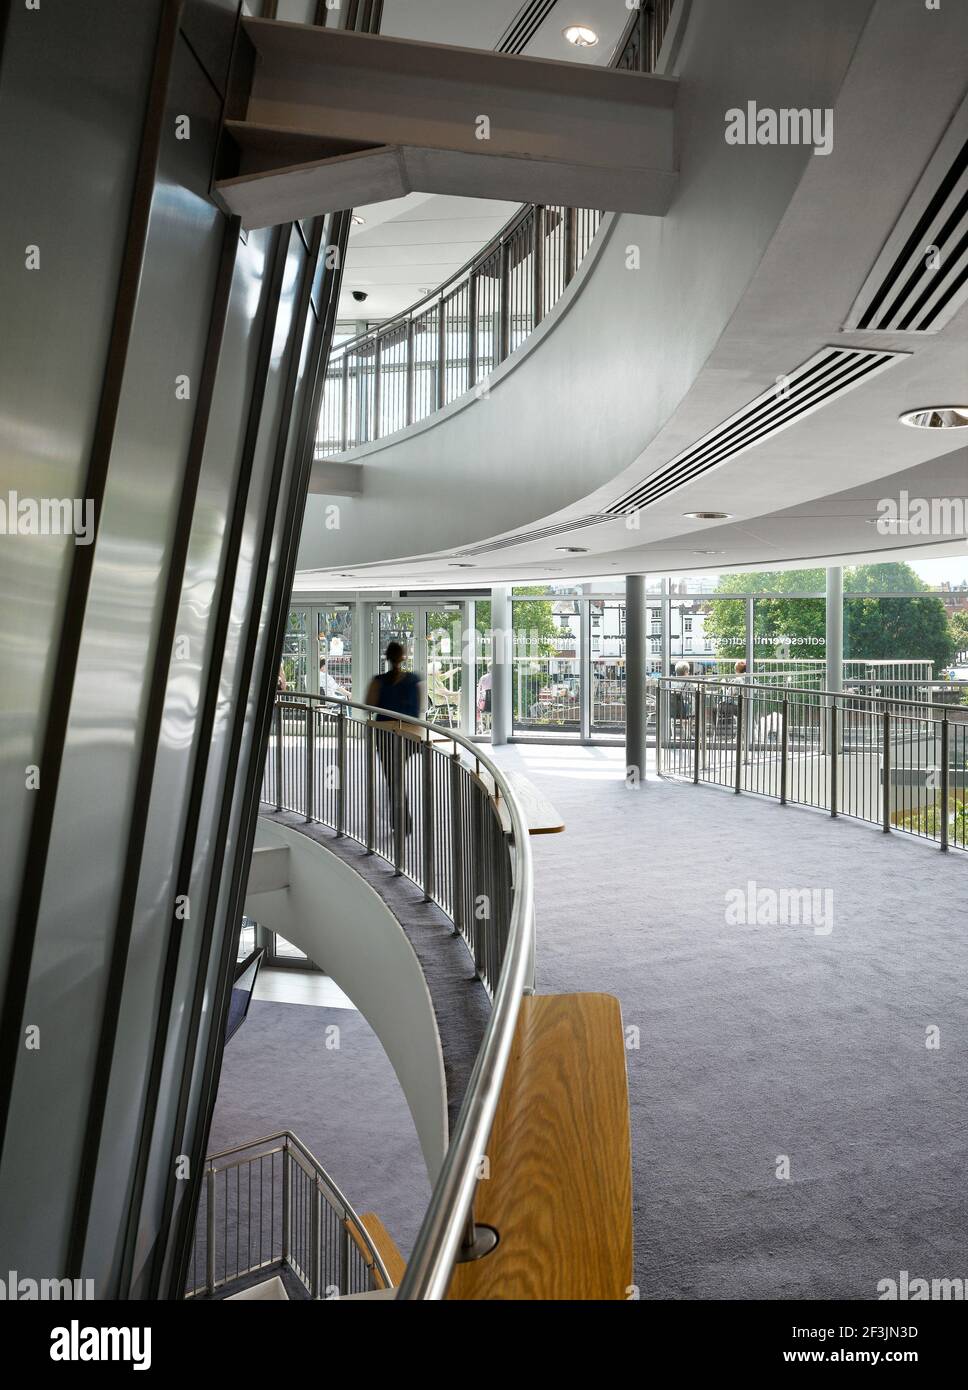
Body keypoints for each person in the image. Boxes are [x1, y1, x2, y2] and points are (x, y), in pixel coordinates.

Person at [366, 642, 426, 833]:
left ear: (388, 657)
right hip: (409, 735)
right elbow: (422, 707)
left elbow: (369, 705)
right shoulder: (415, 679)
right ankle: (402, 821)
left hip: (385, 735)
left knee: (394, 779)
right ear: (403, 656)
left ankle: (401, 821)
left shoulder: (379, 681)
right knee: (397, 779)